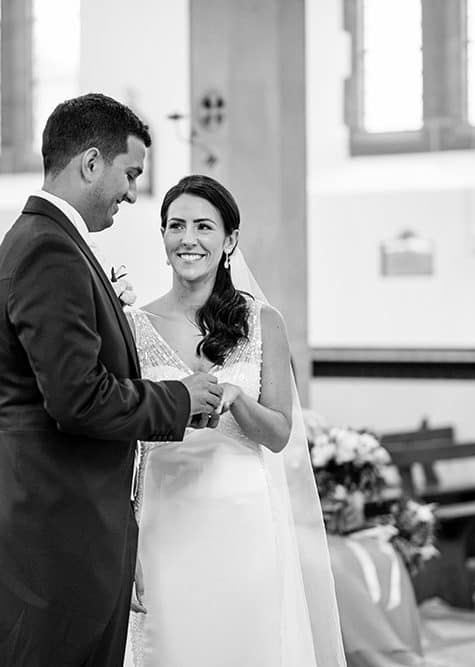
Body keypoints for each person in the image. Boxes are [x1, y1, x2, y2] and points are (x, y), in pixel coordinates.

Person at [0, 94, 223, 667]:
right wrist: (178, 398)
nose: (132, 192)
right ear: (91, 163)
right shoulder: (49, 253)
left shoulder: (44, 242)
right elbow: (78, 397)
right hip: (55, 528)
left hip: (52, 515)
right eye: (129, 173)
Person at [124, 175, 345, 666]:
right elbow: (126, 437)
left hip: (241, 521)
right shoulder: (135, 325)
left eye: (204, 226)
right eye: (176, 226)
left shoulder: (263, 322)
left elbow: (281, 432)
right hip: (165, 521)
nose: (188, 239)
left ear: (229, 241)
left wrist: (238, 401)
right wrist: (127, 536)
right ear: (162, 238)